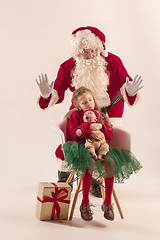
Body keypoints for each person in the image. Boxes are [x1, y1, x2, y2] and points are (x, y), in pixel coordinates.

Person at [36, 26, 143, 197]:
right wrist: (46, 95)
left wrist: (130, 91)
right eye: (85, 52)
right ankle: (65, 179)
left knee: (102, 145)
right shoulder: (68, 66)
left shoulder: (113, 61)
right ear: (77, 52)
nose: (91, 55)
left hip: (109, 113)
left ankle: (95, 179)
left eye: (93, 50)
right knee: (70, 143)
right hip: (80, 112)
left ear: (99, 48)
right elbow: (57, 91)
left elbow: (125, 84)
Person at [62, 87, 142, 221]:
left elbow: (109, 135)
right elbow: (74, 134)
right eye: (84, 102)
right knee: (89, 163)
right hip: (82, 147)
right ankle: (85, 203)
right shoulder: (76, 115)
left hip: (101, 147)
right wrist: (89, 132)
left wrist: (103, 127)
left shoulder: (101, 115)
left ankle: (107, 203)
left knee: (110, 162)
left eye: (90, 100)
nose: (89, 103)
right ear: (78, 106)